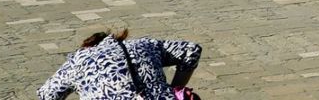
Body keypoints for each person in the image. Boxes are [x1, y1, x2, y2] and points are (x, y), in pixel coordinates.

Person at [36, 27, 201, 100]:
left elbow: (47, 94)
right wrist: (174, 89)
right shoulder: (144, 44)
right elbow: (191, 50)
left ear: (88, 46)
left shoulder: (79, 59)